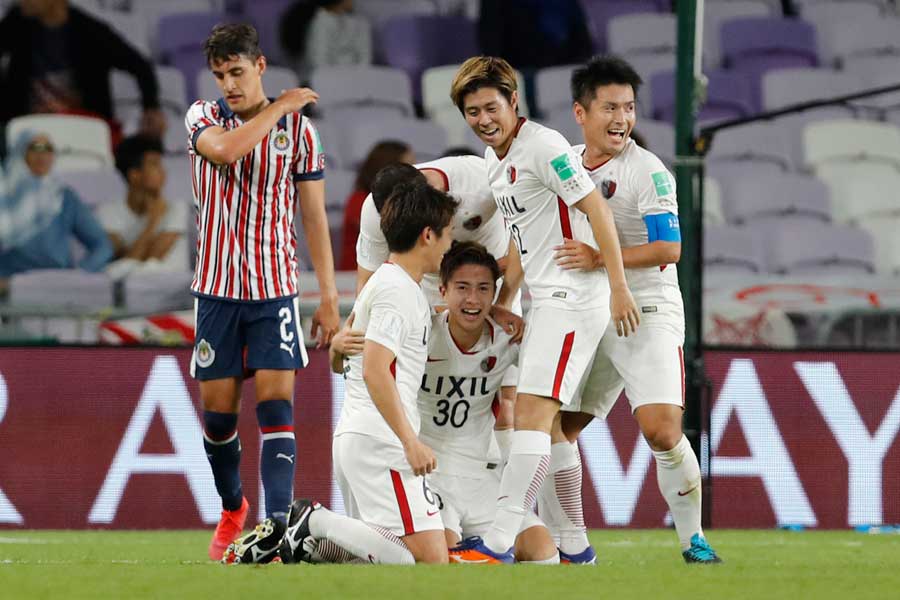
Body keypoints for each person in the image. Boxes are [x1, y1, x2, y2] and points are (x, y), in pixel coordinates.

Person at [446, 56, 639, 564]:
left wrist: (618, 286)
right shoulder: (495, 161)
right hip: (547, 299)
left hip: (574, 299)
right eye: (472, 111)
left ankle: (497, 540)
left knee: (530, 415)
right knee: (550, 427)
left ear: (514, 102)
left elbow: (594, 207)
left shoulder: (545, 147)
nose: (484, 119)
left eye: (492, 107)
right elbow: (523, 238)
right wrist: (505, 301)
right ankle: (575, 545)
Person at [540, 55, 721, 564]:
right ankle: (566, 540)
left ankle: (694, 541)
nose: (622, 119)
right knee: (555, 425)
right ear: (581, 112)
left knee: (662, 430)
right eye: (610, 108)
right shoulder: (565, 164)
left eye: (629, 107)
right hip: (587, 306)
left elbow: (669, 250)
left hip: (645, 306)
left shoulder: (649, 172)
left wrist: (601, 259)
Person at [184, 23, 340, 564]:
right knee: (219, 420)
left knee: (277, 407)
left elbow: (314, 217)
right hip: (217, 293)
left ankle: (276, 531)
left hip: (275, 291)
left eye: (237, 71)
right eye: (221, 74)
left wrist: (327, 296)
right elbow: (226, 153)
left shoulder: (301, 134)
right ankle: (233, 507)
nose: (229, 83)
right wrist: (282, 107)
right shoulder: (202, 118)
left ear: (260, 66)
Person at [334, 241, 559, 563]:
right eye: (462, 288)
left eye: (483, 289)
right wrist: (336, 349)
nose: (472, 299)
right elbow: (362, 364)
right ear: (443, 291)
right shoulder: (422, 332)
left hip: (481, 475)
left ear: (494, 294)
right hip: (429, 471)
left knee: (543, 553)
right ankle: (327, 543)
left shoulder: (509, 337)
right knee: (441, 558)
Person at [281, 180, 457, 565]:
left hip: (360, 436)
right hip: (382, 442)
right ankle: (316, 521)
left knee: (373, 559)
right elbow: (376, 370)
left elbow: (347, 360)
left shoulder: (383, 283)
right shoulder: (398, 292)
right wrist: (410, 442)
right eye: (448, 235)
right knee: (429, 559)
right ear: (428, 235)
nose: (450, 244)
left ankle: (310, 546)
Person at [0, 0, 165, 139]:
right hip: (27, 129)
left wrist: (151, 106)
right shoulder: (17, 23)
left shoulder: (91, 32)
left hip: (82, 129)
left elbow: (140, 67)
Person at [0, 129, 112, 279]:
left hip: (55, 284)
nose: (42, 156)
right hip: (9, 284)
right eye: (34, 148)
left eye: (48, 149)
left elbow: (102, 245)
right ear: (21, 153)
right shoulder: (5, 194)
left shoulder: (64, 197)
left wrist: (79, 275)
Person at [99, 135, 188, 273]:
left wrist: (129, 253)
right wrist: (153, 221)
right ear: (134, 175)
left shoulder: (176, 208)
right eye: (154, 165)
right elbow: (123, 264)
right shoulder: (107, 212)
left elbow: (153, 257)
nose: (163, 172)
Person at [339, 140, 413, 271]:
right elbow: (390, 235)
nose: (416, 173)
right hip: (355, 277)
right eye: (409, 167)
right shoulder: (360, 200)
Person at [280, 0, 372, 84]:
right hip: (323, 82)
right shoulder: (318, 22)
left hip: (353, 81)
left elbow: (365, 57)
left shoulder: (360, 22)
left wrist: (356, 77)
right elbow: (319, 62)